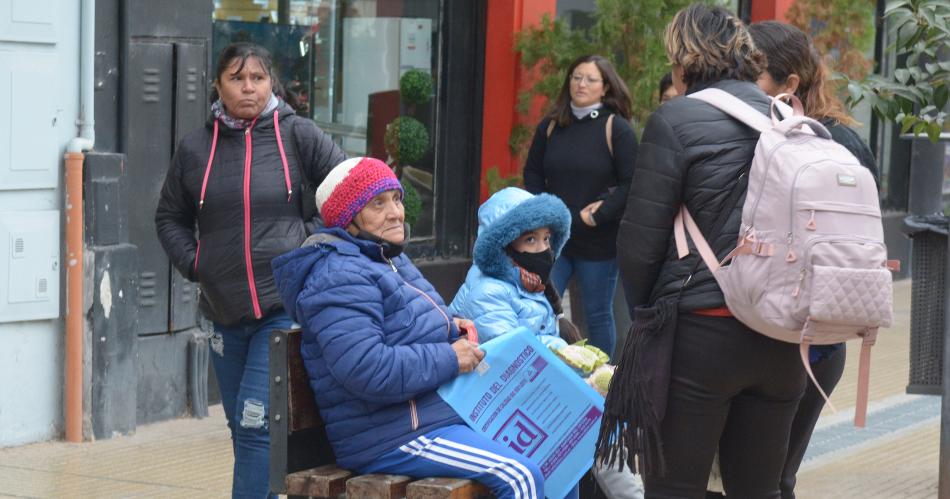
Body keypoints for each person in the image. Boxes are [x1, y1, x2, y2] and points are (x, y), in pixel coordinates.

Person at [596, 5, 807, 498]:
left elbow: (640, 243)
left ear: (683, 59)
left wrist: (651, 317)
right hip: (784, 335)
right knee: (759, 490)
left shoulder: (678, 118)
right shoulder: (787, 118)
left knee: (676, 489)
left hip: (704, 331)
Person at [271, 157, 544, 499]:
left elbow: (406, 325)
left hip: (433, 414)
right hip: (392, 435)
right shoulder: (337, 276)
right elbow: (366, 368)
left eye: (396, 199)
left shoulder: (387, 258)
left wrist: (452, 328)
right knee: (520, 476)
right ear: (349, 218)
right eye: (378, 203)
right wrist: (449, 357)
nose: (396, 212)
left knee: (557, 447)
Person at [154, 42, 345, 498]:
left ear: (270, 83)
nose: (248, 87)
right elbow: (169, 217)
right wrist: (195, 263)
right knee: (241, 427)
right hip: (222, 310)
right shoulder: (196, 148)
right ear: (218, 84)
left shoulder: (297, 134)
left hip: (281, 307)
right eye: (237, 78)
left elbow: (347, 189)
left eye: (257, 78)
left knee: (257, 425)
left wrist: (307, 240)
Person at [748, 21, 880, 499]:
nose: (742, 86)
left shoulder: (802, 143)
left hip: (797, 341)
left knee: (765, 479)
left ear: (790, 85)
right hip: (817, 337)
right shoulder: (847, 142)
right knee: (773, 477)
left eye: (753, 74)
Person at [522, 54, 639, 359]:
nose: (581, 84)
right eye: (576, 77)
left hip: (598, 241)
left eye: (590, 79)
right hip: (553, 239)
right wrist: (543, 211)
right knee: (542, 306)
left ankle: (601, 384)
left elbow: (632, 182)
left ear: (605, 88)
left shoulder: (617, 128)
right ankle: (544, 371)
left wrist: (599, 214)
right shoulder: (550, 125)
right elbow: (532, 172)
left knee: (597, 314)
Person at [448, 187, 576, 348]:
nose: (543, 248)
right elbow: (514, 354)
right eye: (530, 239)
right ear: (505, 245)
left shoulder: (530, 284)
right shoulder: (487, 292)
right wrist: (565, 350)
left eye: (546, 238)